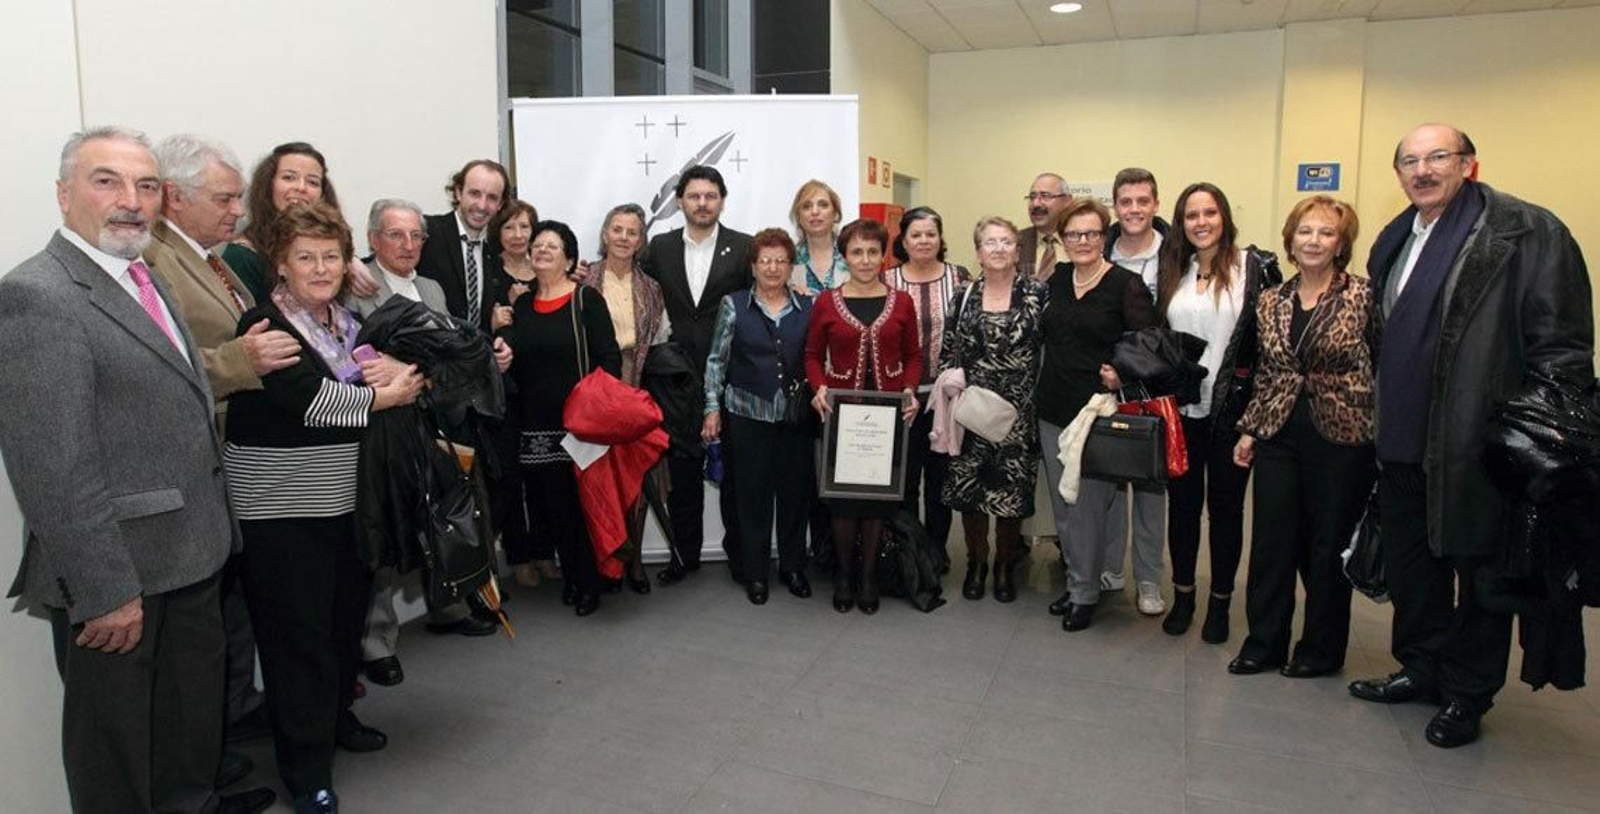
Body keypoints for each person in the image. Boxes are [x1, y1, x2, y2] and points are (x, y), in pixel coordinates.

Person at [0, 126, 275, 814]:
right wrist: (105, 592)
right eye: (107, 181)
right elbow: (53, 466)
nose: (131, 200)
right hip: (123, 581)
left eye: (146, 185)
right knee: (118, 765)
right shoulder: (38, 296)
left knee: (184, 748)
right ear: (64, 194)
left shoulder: (142, 275)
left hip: (190, 560)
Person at [1346, 124, 1594, 748]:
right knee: (1414, 570)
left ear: (1469, 164)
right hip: (1402, 440)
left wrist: (1531, 435)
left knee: (1482, 579)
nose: (1423, 170)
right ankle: (1422, 668)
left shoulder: (1527, 232)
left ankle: (1466, 693)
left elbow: (1563, 348)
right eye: (1410, 161)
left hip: (1480, 444)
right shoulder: (1396, 238)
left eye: (1438, 156)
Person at [224, 201, 424, 813]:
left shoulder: (345, 322)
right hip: (283, 514)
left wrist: (397, 376)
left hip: (345, 504)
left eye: (330, 257)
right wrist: (386, 399)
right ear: (281, 265)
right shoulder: (265, 325)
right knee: (298, 642)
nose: (320, 268)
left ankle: (337, 721)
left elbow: (372, 376)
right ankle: (306, 769)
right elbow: (311, 403)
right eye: (305, 257)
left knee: (342, 625)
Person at [349, 199, 504, 691]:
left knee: (440, 513)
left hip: (434, 418)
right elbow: (353, 359)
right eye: (396, 235)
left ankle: (448, 603)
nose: (408, 245)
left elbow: (450, 350)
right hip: (382, 426)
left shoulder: (432, 288)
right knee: (385, 530)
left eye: (416, 236)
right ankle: (377, 644)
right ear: (373, 239)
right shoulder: (355, 287)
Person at [1228, 196, 1378, 677]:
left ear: (1341, 244)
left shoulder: (1363, 295)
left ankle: (1320, 649)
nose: (1314, 241)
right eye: (1305, 231)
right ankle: (1264, 643)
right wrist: (1250, 430)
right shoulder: (1271, 300)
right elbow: (1269, 372)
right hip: (1279, 434)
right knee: (1271, 543)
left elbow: (1383, 364)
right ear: (1290, 240)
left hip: (1343, 437)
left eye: (1326, 232)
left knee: (1327, 545)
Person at [1155, 182, 1280, 644]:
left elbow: (1270, 349)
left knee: (1226, 511)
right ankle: (1184, 596)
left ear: (1224, 217)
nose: (1201, 222)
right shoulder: (1174, 270)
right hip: (1182, 411)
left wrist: (1257, 420)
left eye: (1209, 212)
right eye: (1191, 215)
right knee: (1183, 508)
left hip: (1233, 413)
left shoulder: (1254, 267)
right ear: (1181, 223)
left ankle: (1221, 603)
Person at [1036, 199, 1156, 631]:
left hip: (1097, 414)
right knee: (1064, 506)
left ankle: (1084, 592)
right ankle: (1078, 579)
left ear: (1104, 237)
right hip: (1052, 408)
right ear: (1063, 239)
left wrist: (1121, 372)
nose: (1082, 241)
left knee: (1086, 506)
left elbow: (1147, 344)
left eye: (1091, 233)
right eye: (1073, 234)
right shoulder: (1057, 279)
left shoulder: (1126, 285)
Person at [498, 220, 623, 616]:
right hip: (535, 425)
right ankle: (573, 576)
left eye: (552, 246)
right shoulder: (522, 305)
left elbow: (609, 358)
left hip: (580, 424)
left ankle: (590, 583)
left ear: (569, 259)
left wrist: (598, 408)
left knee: (582, 507)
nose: (542, 249)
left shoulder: (586, 299)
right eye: (537, 244)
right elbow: (514, 360)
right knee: (554, 508)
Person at [640, 165, 753, 586]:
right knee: (683, 475)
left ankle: (741, 557)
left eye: (710, 196)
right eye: (694, 196)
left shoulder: (744, 247)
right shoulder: (659, 247)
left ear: (722, 200)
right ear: (680, 202)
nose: (702, 203)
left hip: (731, 375)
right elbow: (635, 288)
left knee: (735, 475)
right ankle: (684, 557)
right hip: (675, 381)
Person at [804, 218, 921, 614]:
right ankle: (843, 574)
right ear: (845, 257)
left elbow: (913, 356)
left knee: (875, 500)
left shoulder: (901, 302)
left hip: (887, 416)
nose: (866, 259)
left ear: (883, 255)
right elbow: (811, 355)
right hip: (841, 415)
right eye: (857, 252)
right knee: (843, 501)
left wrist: (909, 389)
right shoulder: (827, 302)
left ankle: (868, 576)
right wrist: (819, 388)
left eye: (873, 251)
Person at [703, 228, 816, 604]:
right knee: (752, 497)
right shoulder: (734, 304)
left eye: (780, 260)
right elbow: (716, 360)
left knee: (794, 495)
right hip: (746, 415)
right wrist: (711, 408)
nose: (772, 268)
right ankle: (755, 572)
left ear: (791, 266)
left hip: (795, 418)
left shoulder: (808, 306)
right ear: (752, 266)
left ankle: (793, 567)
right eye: (765, 260)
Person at [940, 216, 1048, 604]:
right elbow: (948, 349)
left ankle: (1004, 566)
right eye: (990, 242)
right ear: (978, 252)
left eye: (1006, 242)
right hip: (971, 411)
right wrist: (948, 393)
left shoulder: (1037, 293)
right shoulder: (963, 295)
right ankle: (977, 564)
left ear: (1017, 251)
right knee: (970, 492)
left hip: (1019, 414)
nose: (999, 248)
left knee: (1010, 494)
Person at [576, 203, 667, 594]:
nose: (624, 238)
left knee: (637, 474)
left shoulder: (652, 288)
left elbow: (659, 340)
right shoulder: (582, 280)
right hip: (595, 387)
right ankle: (603, 560)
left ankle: (635, 561)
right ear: (604, 234)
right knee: (599, 476)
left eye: (632, 232)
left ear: (641, 240)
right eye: (617, 229)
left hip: (635, 384)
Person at [1099, 167, 1171, 613]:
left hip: (1153, 382)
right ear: (1115, 206)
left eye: (1143, 201)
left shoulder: (1175, 254)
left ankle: (1148, 579)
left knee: (1149, 486)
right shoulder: (1100, 249)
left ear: (1156, 204)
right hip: (1103, 380)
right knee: (1108, 478)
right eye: (1125, 202)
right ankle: (1110, 568)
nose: (1134, 209)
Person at [884, 207, 969, 561]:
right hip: (900, 398)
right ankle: (909, 552)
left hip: (944, 399)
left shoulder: (960, 278)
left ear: (940, 239)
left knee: (939, 481)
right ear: (903, 241)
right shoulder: (887, 281)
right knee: (904, 480)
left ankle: (936, 552)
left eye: (930, 234)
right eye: (915, 235)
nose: (923, 241)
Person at [484, 199, 561, 589]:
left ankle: (545, 550)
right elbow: (469, 328)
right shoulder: (487, 272)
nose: (518, 235)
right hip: (504, 392)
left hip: (542, 389)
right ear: (498, 232)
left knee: (545, 475)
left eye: (525, 227)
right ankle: (518, 556)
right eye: (509, 227)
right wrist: (492, 320)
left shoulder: (548, 270)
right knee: (510, 477)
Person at [225, 142, 377, 305]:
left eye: (312, 182)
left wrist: (346, 259)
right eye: (289, 178)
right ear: (268, 184)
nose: (301, 187)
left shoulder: (342, 261)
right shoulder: (242, 256)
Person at [417, 159, 511, 334]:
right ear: (458, 193)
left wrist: (500, 337)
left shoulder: (495, 251)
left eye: (492, 198)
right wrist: (360, 266)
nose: (482, 205)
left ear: (500, 205)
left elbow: (496, 314)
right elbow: (385, 257)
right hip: (429, 348)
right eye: (475, 193)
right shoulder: (428, 231)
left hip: (475, 349)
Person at [789, 179, 848, 292]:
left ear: (835, 214)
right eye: (806, 206)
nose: (815, 211)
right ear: (798, 217)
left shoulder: (850, 255)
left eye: (823, 205)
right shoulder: (789, 260)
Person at [1016, 172, 1072, 281]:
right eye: (1032, 197)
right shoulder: (1016, 241)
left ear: (1066, 201)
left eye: (1045, 196)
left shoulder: (1082, 240)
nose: (1036, 204)